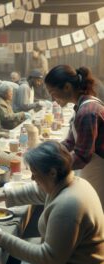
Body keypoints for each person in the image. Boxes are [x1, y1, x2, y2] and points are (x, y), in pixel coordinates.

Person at [0, 141, 104, 264]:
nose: (33, 177)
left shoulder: (69, 204)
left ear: (52, 172)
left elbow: (49, 257)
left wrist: (2, 238)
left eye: (35, 173)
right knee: (6, 256)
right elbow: (38, 191)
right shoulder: (69, 182)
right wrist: (4, 195)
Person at [45, 65, 104, 211]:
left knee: (92, 213)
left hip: (98, 170)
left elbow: (81, 156)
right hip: (92, 168)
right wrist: (49, 153)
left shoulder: (87, 112)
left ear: (66, 87)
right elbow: (70, 142)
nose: (52, 98)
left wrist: (52, 171)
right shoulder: (81, 106)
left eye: (53, 93)